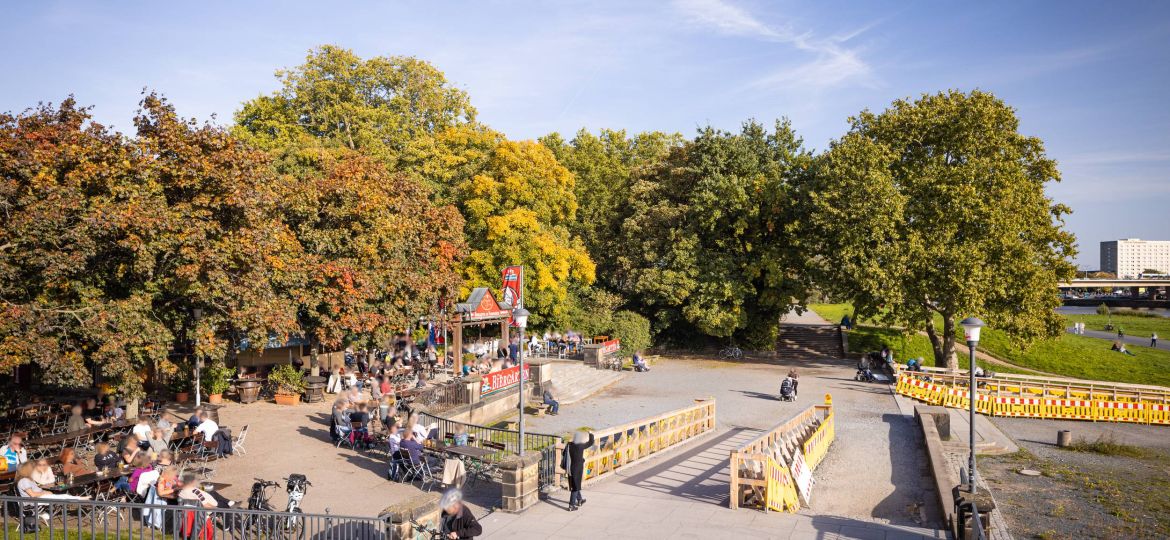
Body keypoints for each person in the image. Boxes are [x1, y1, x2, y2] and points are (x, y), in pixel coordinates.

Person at [15, 461, 89, 502]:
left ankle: (81, 498)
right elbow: (32, 495)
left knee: (61, 495)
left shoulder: (27, 479)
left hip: (40, 497)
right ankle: (82, 499)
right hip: (35, 501)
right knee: (64, 496)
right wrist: (44, 492)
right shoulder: (24, 480)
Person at [563, 430, 594, 511]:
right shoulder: (580, 446)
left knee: (576, 484)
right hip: (578, 468)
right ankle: (571, 505)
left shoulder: (569, 445)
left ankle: (580, 500)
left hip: (570, 468)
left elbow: (564, 453)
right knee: (575, 487)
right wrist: (590, 434)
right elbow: (591, 442)